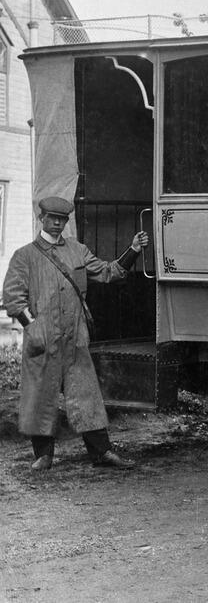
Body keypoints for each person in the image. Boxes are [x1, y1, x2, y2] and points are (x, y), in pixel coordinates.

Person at [2, 196, 150, 471]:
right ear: (41, 218)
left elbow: (109, 272)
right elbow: (12, 297)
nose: (58, 223)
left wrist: (132, 250)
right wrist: (33, 328)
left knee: (86, 396)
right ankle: (43, 456)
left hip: (75, 339)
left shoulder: (77, 250)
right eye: (52, 218)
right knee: (40, 397)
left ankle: (102, 453)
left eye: (63, 219)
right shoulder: (25, 256)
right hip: (43, 340)